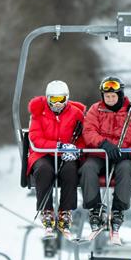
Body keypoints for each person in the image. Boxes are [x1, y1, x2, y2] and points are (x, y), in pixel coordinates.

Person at [79, 75, 131, 234]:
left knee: (126, 170)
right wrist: (103, 144)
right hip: (100, 154)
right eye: (107, 96)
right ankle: (94, 207)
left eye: (113, 95)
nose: (110, 99)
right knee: (88, 168)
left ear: (120, 95)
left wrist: (128, 154)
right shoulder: (95, 110)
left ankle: (118, 209)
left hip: (123, 156)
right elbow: (88, 131)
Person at [25, 80, 85, 233]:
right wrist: (58, 147)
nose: (57, 104)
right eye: (53, 99)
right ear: (47, 98)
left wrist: (75, 150)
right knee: (44, 170)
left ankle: (65, 210)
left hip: (67, 155)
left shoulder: (76, 113)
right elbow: (36, 138)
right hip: (42, 153)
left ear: (67, 98)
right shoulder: (38, 113)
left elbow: (83, 138)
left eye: (61, 99)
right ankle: (46, 210)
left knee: (70, 170)